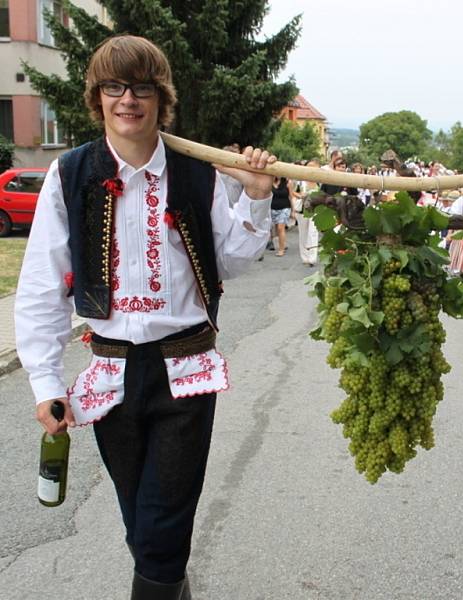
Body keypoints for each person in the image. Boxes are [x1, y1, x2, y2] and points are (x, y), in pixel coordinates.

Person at [14, 35, 277, 600]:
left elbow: (232, 258)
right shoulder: (71, 174)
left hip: (184, 373)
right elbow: (40, 285)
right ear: (97, 97)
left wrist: (255, 195)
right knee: (140, 521)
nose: (127, 99)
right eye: (114, 87)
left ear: (162, 98)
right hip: (110, 377)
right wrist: (44, 381)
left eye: (141, 88)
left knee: (162, 530)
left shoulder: (197, 174)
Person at [296, 159, 320, 266]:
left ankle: (312, 258)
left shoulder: (320, 181)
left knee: (313, 233)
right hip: (302, 210)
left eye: (314, 166)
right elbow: (292, 191)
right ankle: (304, 257)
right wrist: (301, 196)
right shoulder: (301, 181)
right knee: (303, 234)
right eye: (309, 166)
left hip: (315, 211)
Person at [270, 176, 295, 256]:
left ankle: (281, 249)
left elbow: (291, 197)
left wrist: (293, 211)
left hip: (285, 208)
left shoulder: (288, 183)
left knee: (281, 228)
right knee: (277, 229)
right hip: (272, 208)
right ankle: (283, 244)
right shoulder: (270, 182)